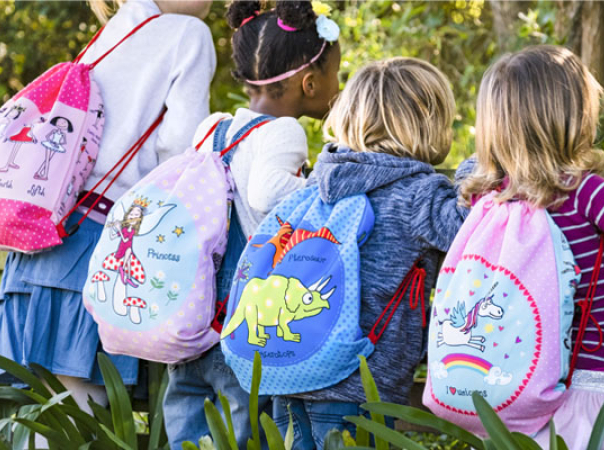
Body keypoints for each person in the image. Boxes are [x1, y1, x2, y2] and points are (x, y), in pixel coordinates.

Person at [0, 0, 215, 413]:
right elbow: (183, 148)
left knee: (36, 420)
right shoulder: (188, 34)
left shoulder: (108, 35)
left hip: (42, 243)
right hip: (100, 249)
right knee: (79, 419)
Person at [459, 45, 604, 449]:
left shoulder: (487, 200)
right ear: (573, 118)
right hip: (592, 391)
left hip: (513, 395)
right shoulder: (580, 191)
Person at [162, 1, 341, 448]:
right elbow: (264, 194)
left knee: (187, 423)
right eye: (337, 76)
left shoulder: (215, 127)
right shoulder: (284, 132)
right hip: (240, 319)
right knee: (243, 431)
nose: (338, 88)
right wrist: (320, 186)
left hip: (193, 312)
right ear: (310, 81)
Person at [271, 57, 469, 450]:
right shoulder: (418, 193)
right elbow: (465, 227)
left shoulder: (320, 182)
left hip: (290, 373)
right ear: (427, 122)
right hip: (360, 385)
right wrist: (476, 168)